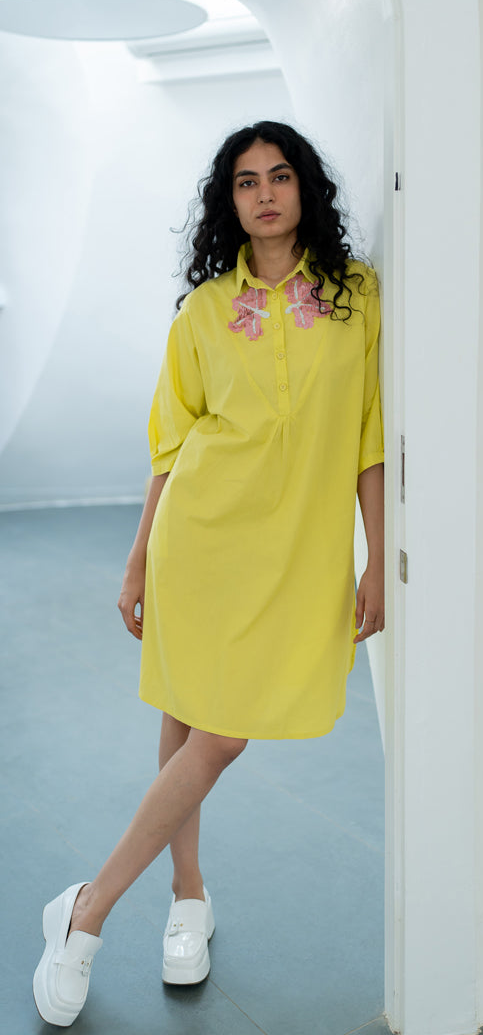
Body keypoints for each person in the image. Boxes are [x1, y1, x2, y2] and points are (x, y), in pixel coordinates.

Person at [32, 120, 385, 1028]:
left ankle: (83, 906)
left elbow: (369, 438)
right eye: (245, 181)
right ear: (228, 202)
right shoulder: (202, 313)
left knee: (215, 736)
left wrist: (378, 555)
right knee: (194, 720)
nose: (264, 193)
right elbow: (172, 443)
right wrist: (138, 557)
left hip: (295, 553)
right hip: (201, 540)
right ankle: (176, 899)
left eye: (279, 175)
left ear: (306, 188)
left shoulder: (356, 297)